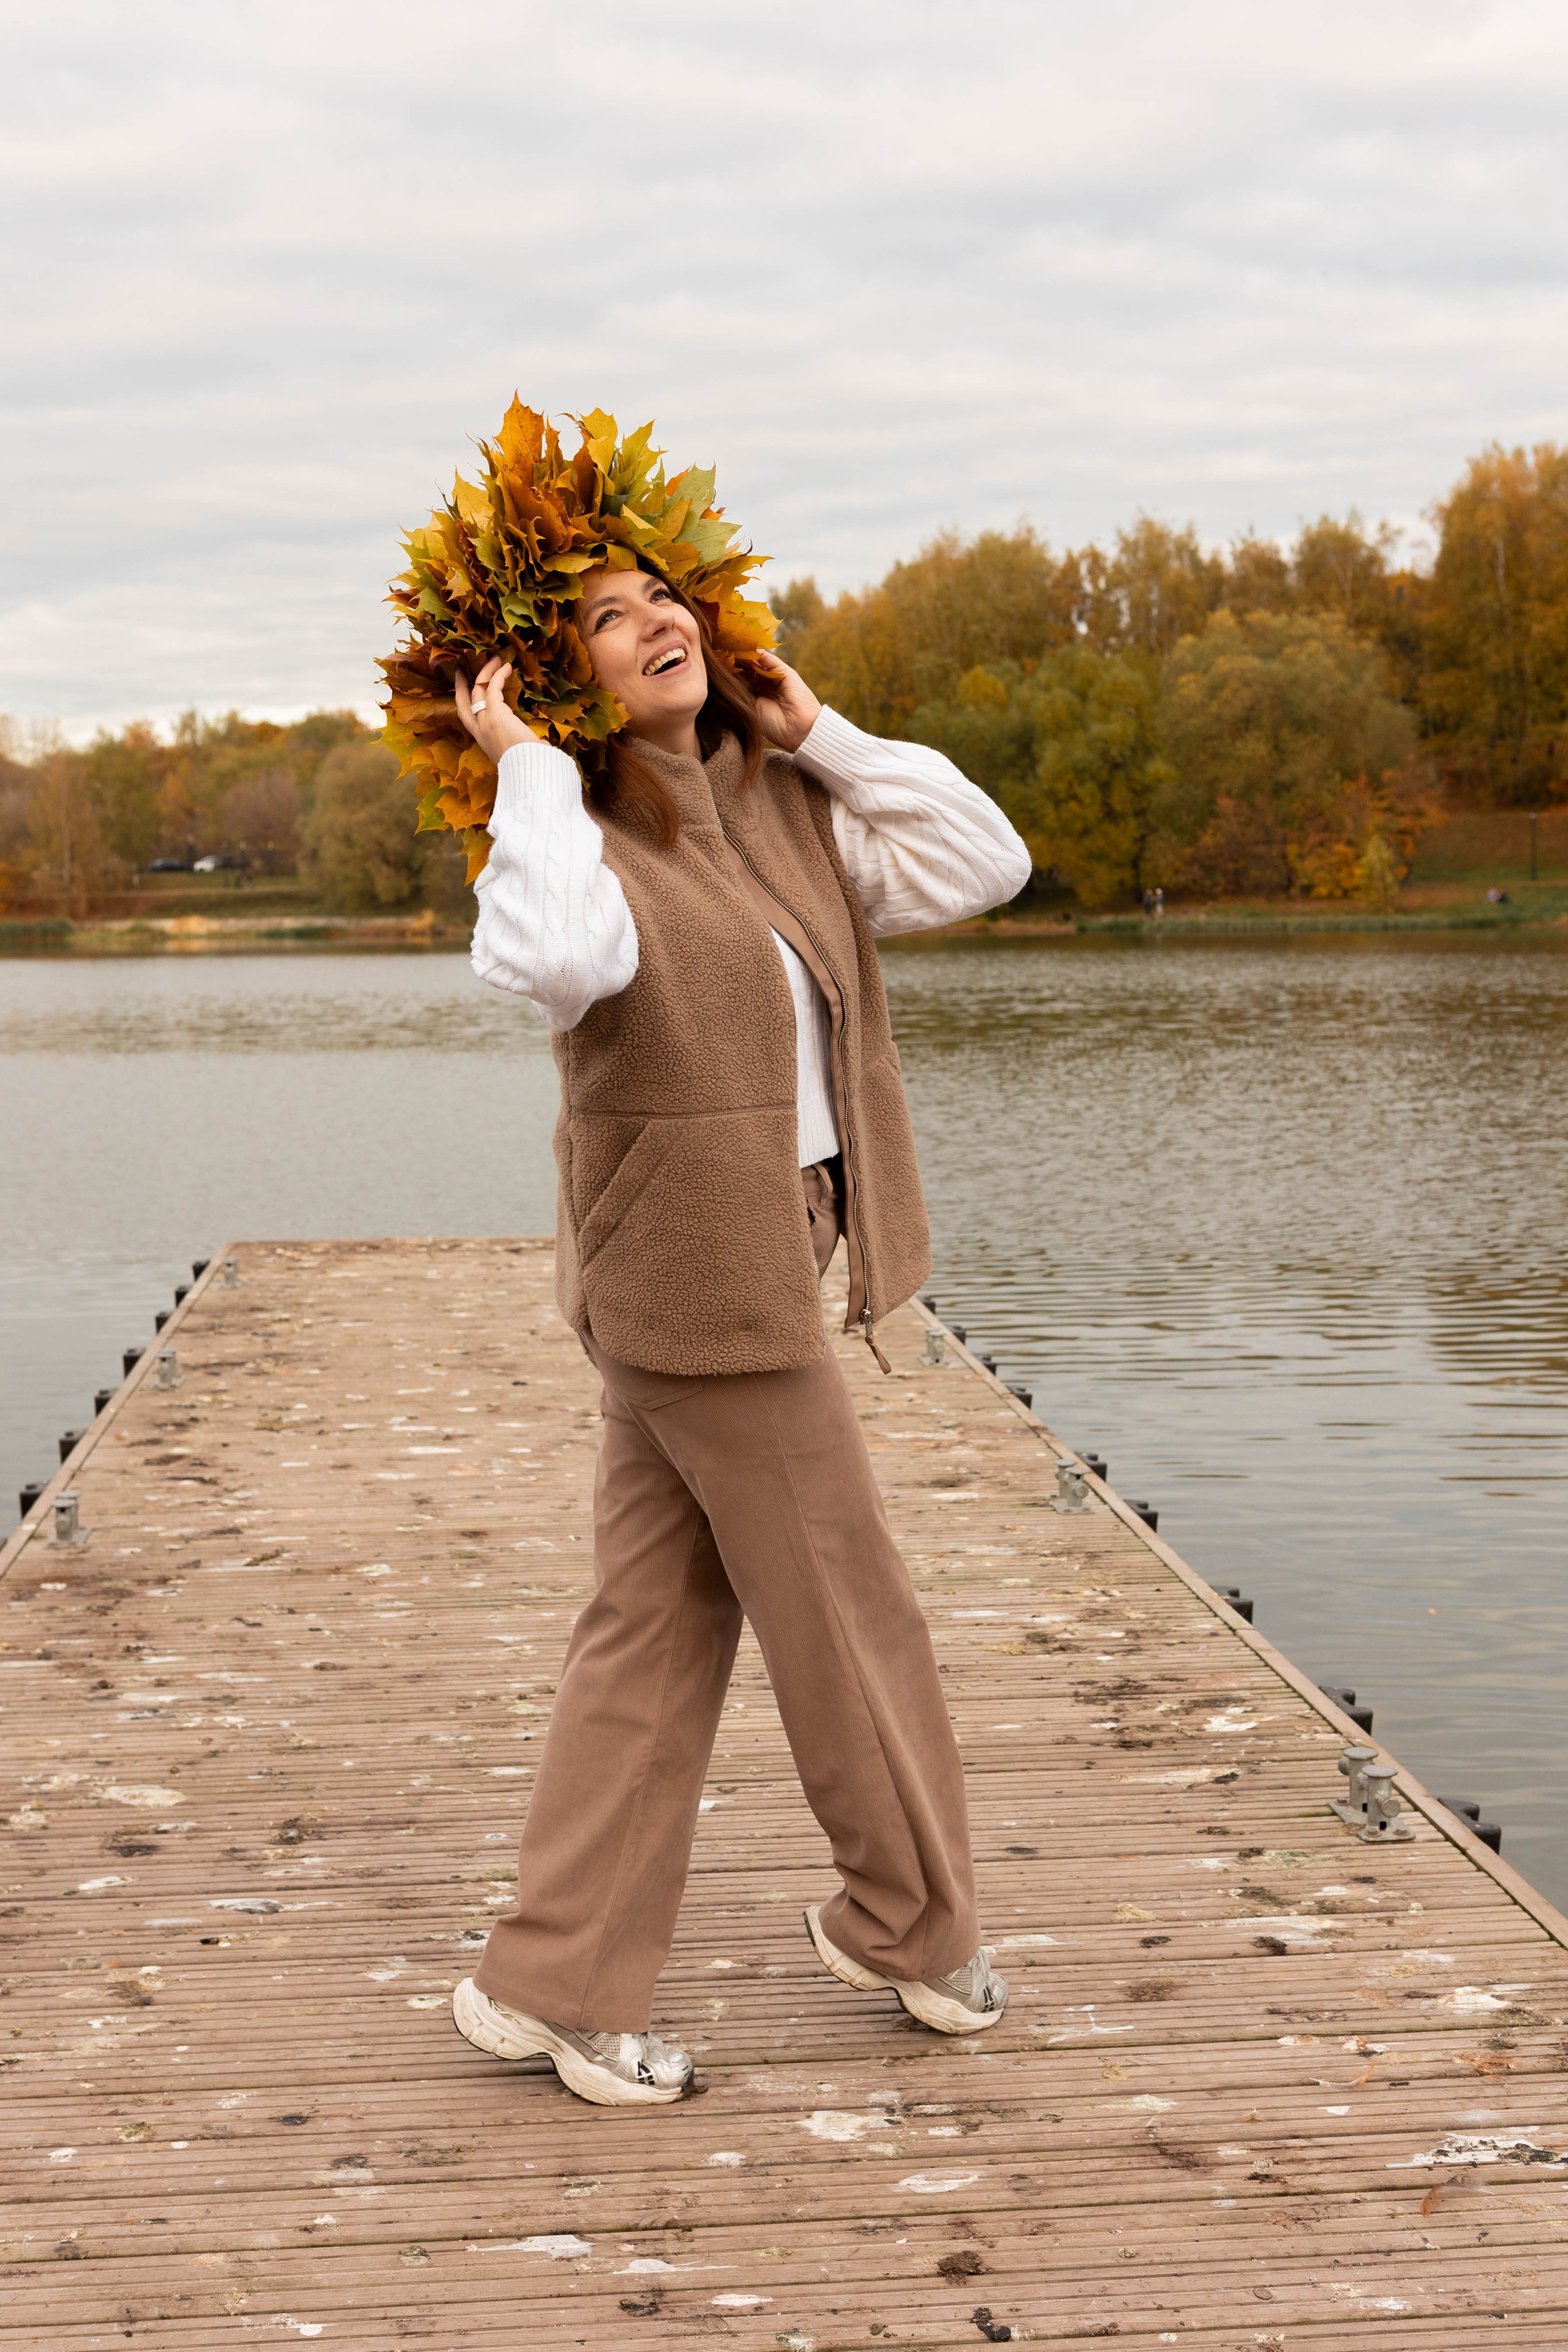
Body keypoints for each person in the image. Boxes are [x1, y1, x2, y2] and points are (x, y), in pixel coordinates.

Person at [447, 561, 1031, 2107]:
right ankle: (911, 1924)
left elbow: (986, 861)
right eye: (599, 618)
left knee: (652, 1623)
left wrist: (822, 732)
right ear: (550, 679)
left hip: (761, 1250)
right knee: (849, 1608)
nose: (655, 624)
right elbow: (556, 968)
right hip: (701, 1279)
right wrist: (526, 771)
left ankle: (549, 1977)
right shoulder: (569, 838)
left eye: (662, 595)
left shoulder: (778, 803)